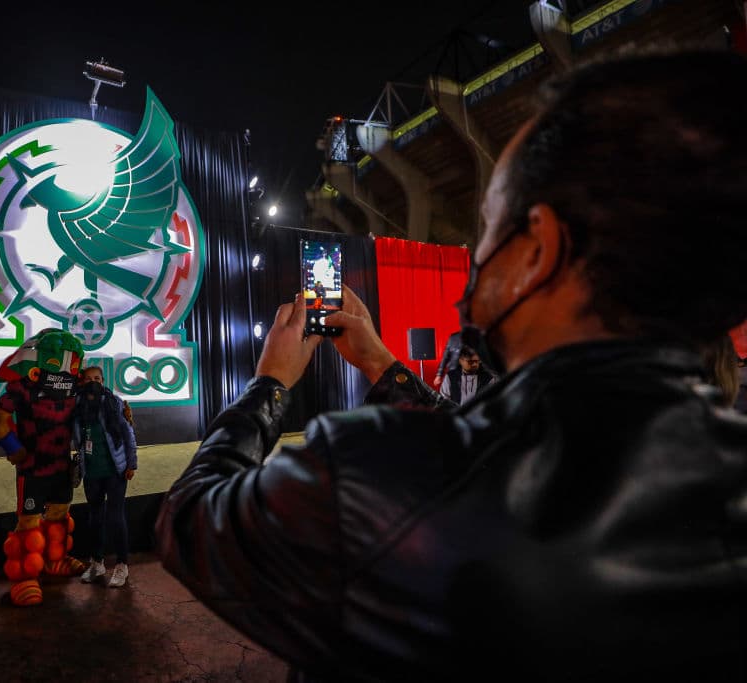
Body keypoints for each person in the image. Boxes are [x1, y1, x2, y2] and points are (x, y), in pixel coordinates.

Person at [155, 48, 747, 681]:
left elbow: (190, 521)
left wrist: (270, 385)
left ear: (539, 249)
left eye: (490, 226)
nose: (475, 257)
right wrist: (383, 364)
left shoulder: (371, 475)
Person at [0, 329, 88, 607]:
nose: (66, 368)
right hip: (33, 466)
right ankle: (24, 577)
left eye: (71, 362)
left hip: (61, 464)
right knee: (28, 520)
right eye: (59, 361)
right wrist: (12, 447)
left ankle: (54, 560)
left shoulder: (75, 388)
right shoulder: (22, 387)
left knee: (59, 513)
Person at [74, 366, 138, 588]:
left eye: (98, 378)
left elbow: (128, 434)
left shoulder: (114, 403)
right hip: (91, 472)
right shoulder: (77, 406)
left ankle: (122, 565)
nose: (94, 382)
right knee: (94, 518)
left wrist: (131, 463)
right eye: (89, 379)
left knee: (116, 516)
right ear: (81, 382)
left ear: (103, 381)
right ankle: (97, 563)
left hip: (115, 471)